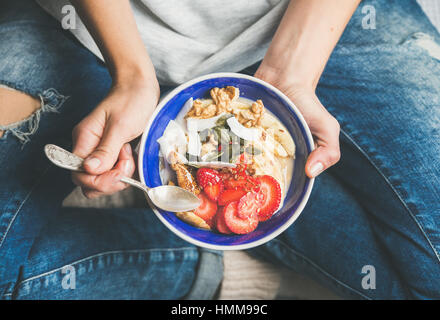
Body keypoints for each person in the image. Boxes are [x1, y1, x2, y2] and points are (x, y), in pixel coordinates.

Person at [0, 0, 439, 299]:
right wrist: (131, 71)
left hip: (323, 24)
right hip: (84, 30)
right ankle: (202, 264)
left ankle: (271, 232)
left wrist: (293, 71)